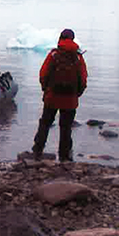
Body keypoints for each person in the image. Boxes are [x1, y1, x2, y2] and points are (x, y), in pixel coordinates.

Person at [32, 28, 88, 162]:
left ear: (60, 38)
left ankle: (38, 150)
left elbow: (43, 74)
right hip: (70, 99)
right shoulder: (78, 57)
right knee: (66, 126)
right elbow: (83, 78)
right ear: (73, 39)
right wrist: (76, 94)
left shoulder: (54, 55)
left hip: (52, 97)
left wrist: (46, 90)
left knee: (45, 123)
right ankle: (64, 155)